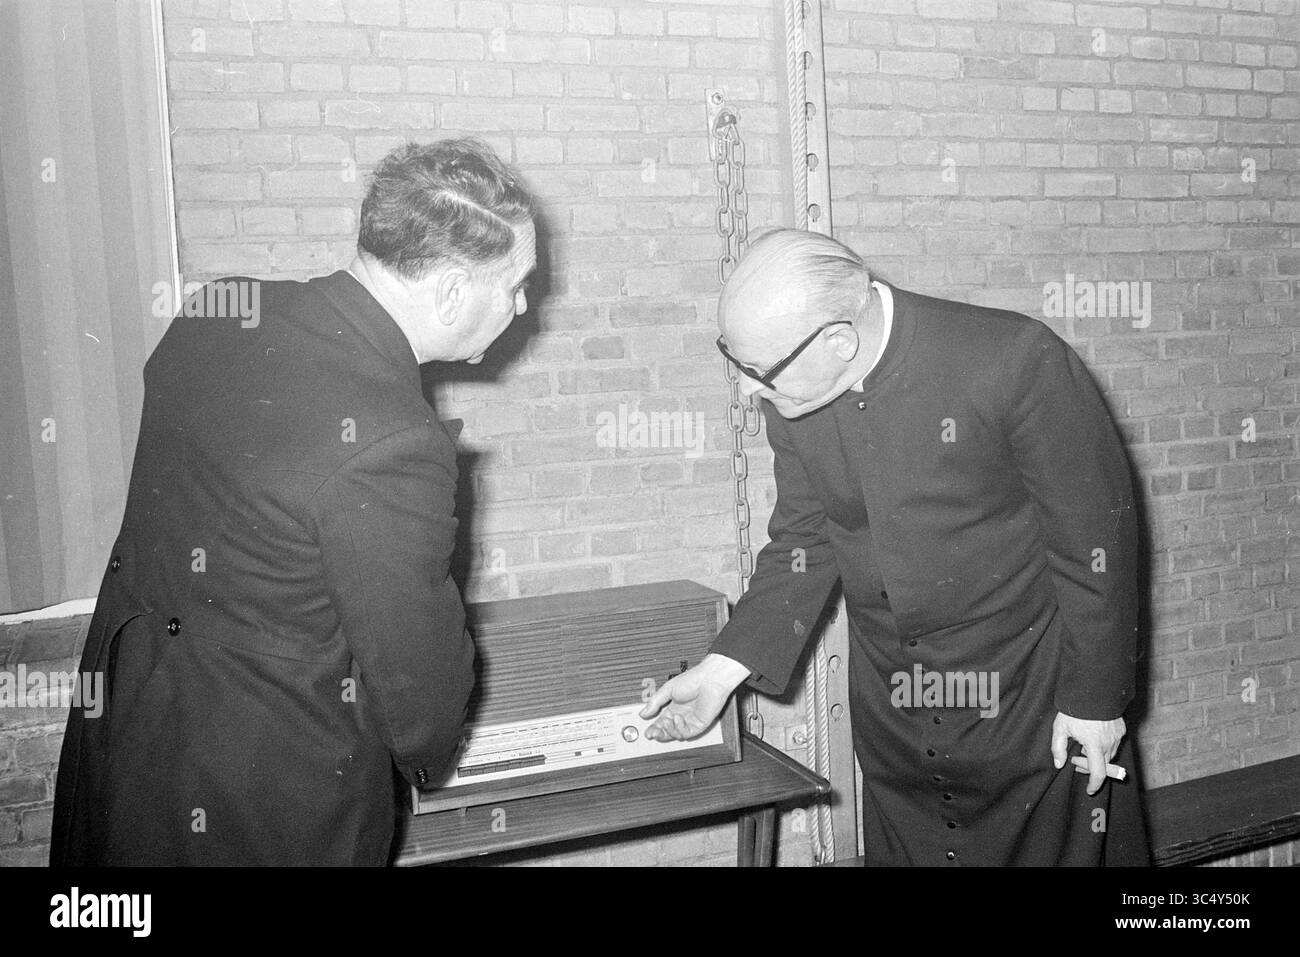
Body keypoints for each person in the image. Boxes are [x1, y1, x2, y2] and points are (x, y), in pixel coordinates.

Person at [51, 138, 536, 865]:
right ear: (451, 293)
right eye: (515, 284)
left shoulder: (218, 310)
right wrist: (429, 758)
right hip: (266, 796)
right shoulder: (394, 442)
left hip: (127, 734)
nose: (524, 304)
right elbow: (421, 699)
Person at [642, 228, 1150, 866]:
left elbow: (1096, 546)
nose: (748, 390)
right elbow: (806, 537)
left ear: (839, 340)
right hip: (897, 718)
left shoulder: (1014, 358)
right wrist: (724, 671)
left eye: (757, 371)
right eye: (737, 362)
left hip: (1030, 711)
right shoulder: (797, 390)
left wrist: (1095, 703)